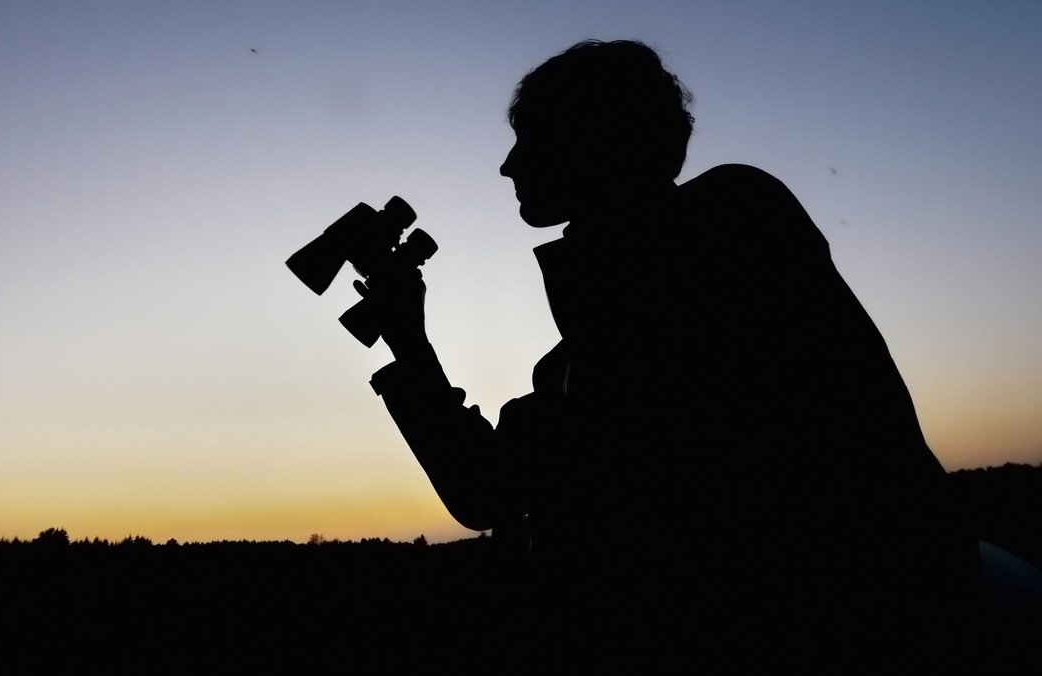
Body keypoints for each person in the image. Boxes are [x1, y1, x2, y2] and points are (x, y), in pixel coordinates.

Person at [363, 40, 979, 666]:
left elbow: (550, 472)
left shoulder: (731, 225)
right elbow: (489, 490)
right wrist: (410, 343)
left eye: (531, 139)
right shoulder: (587, 349)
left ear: (593, 139)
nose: (508, 167)